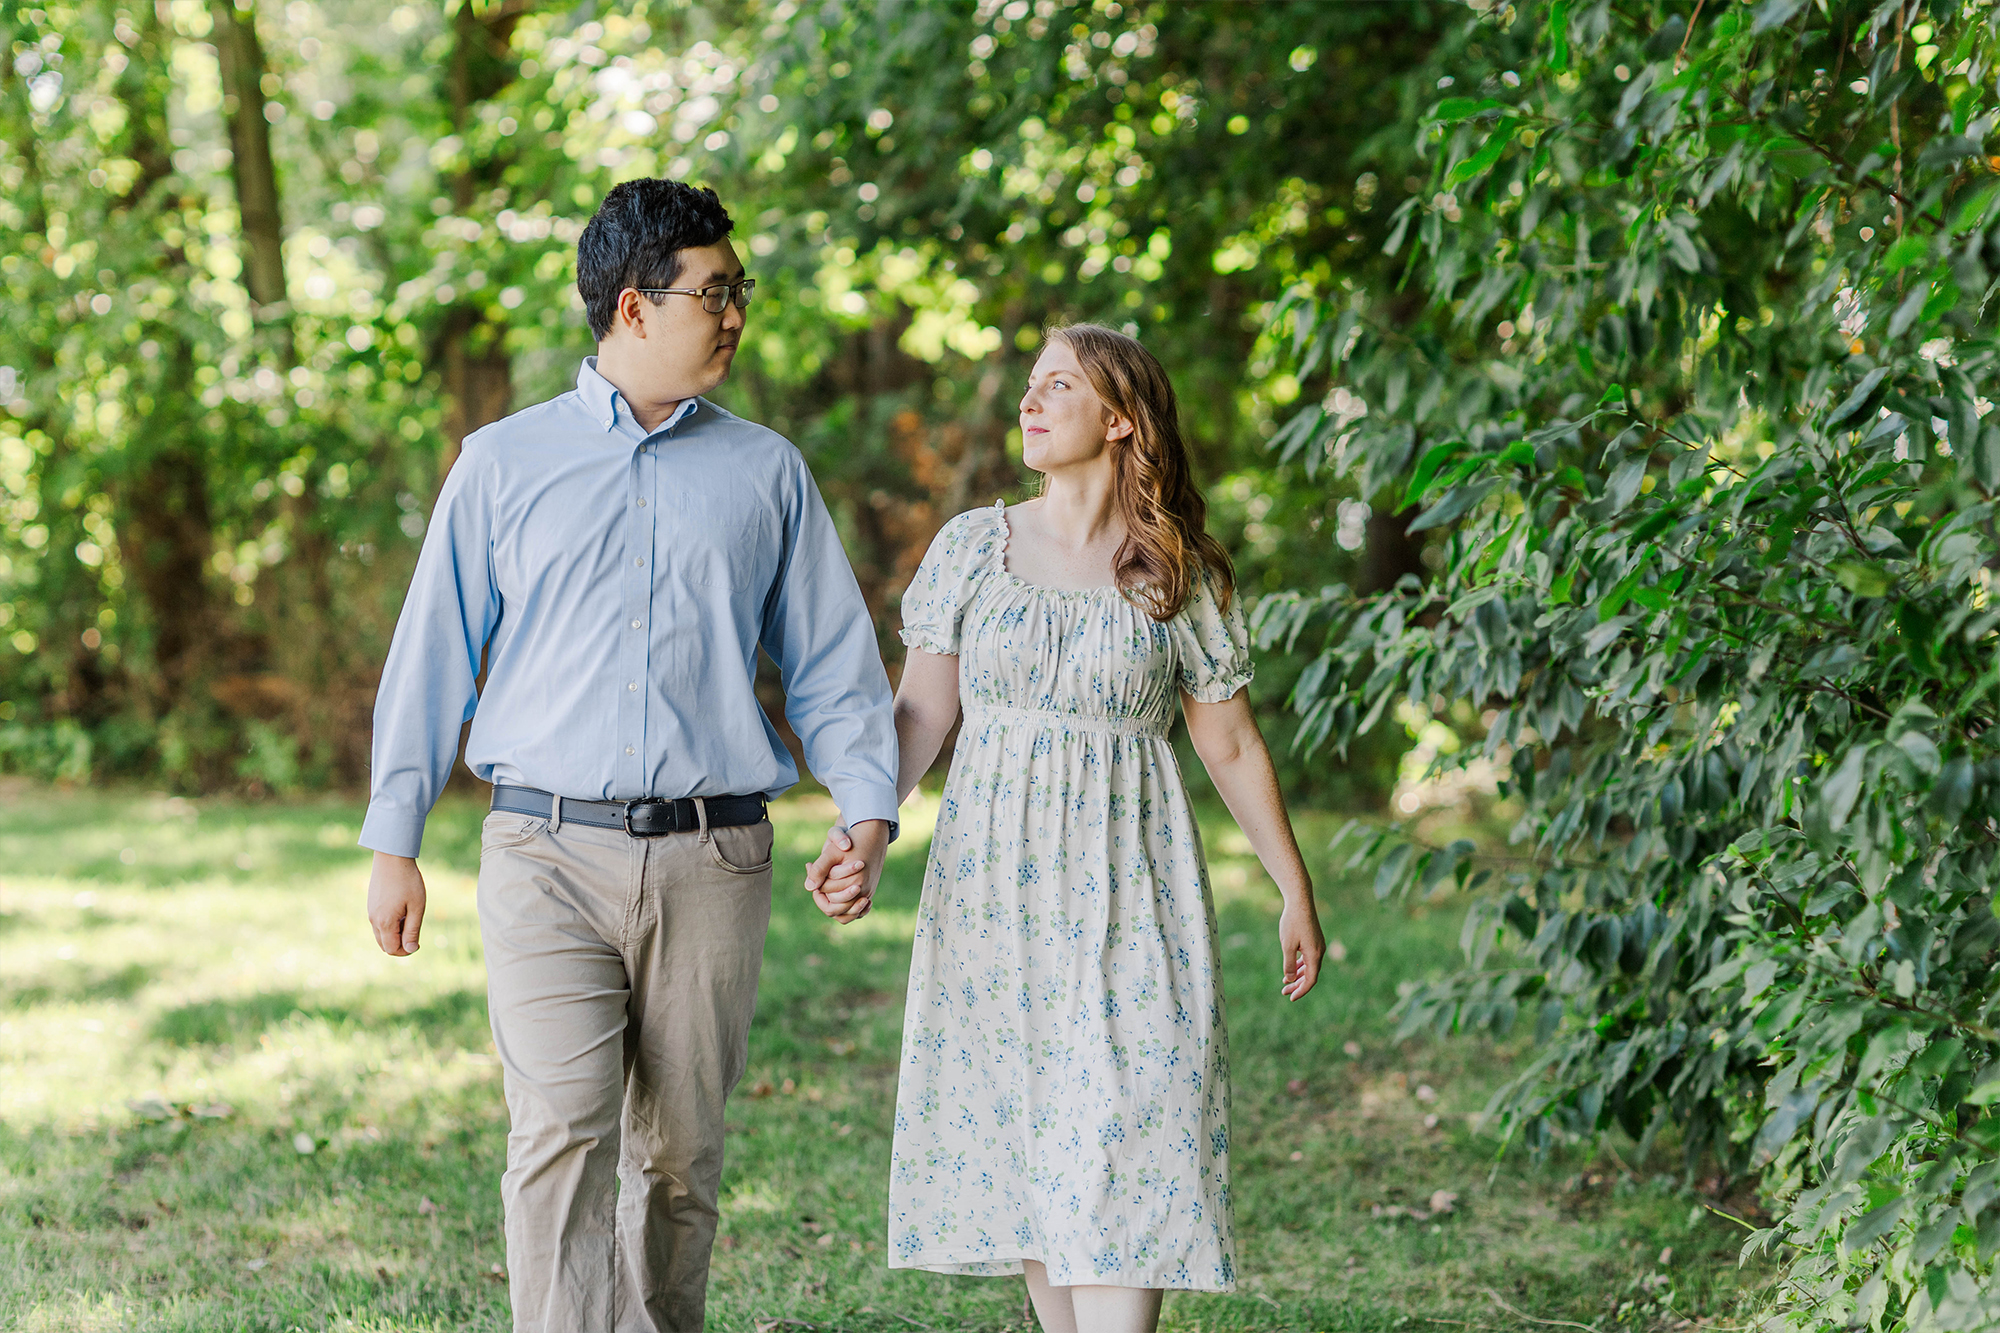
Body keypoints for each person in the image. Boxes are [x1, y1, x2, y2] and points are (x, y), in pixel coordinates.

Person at [359, 179, 897, 1333]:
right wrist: (393, 839)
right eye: (714, 291)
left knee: (679, 1159)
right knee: (558, 1135)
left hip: (715, 859)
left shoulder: (766, 473)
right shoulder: (501, 464)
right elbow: (431, 657)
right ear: (632, 305)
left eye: (736, 289)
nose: (735, 313)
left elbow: (833, 668)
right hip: (544, 848)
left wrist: (865, 811)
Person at [806, 323, 1326, 1333]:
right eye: (1029, 386)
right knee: (1031, 1150)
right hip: (992, 895)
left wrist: (1292, 888)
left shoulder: (1176, 573)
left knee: (1129, 1137)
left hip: (1134, 890)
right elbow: (920, 714)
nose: (1028, 403)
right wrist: (863, 827)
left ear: (1120, 419)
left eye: (1057, 387)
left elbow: (1227, 745)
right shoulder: (972, 549)